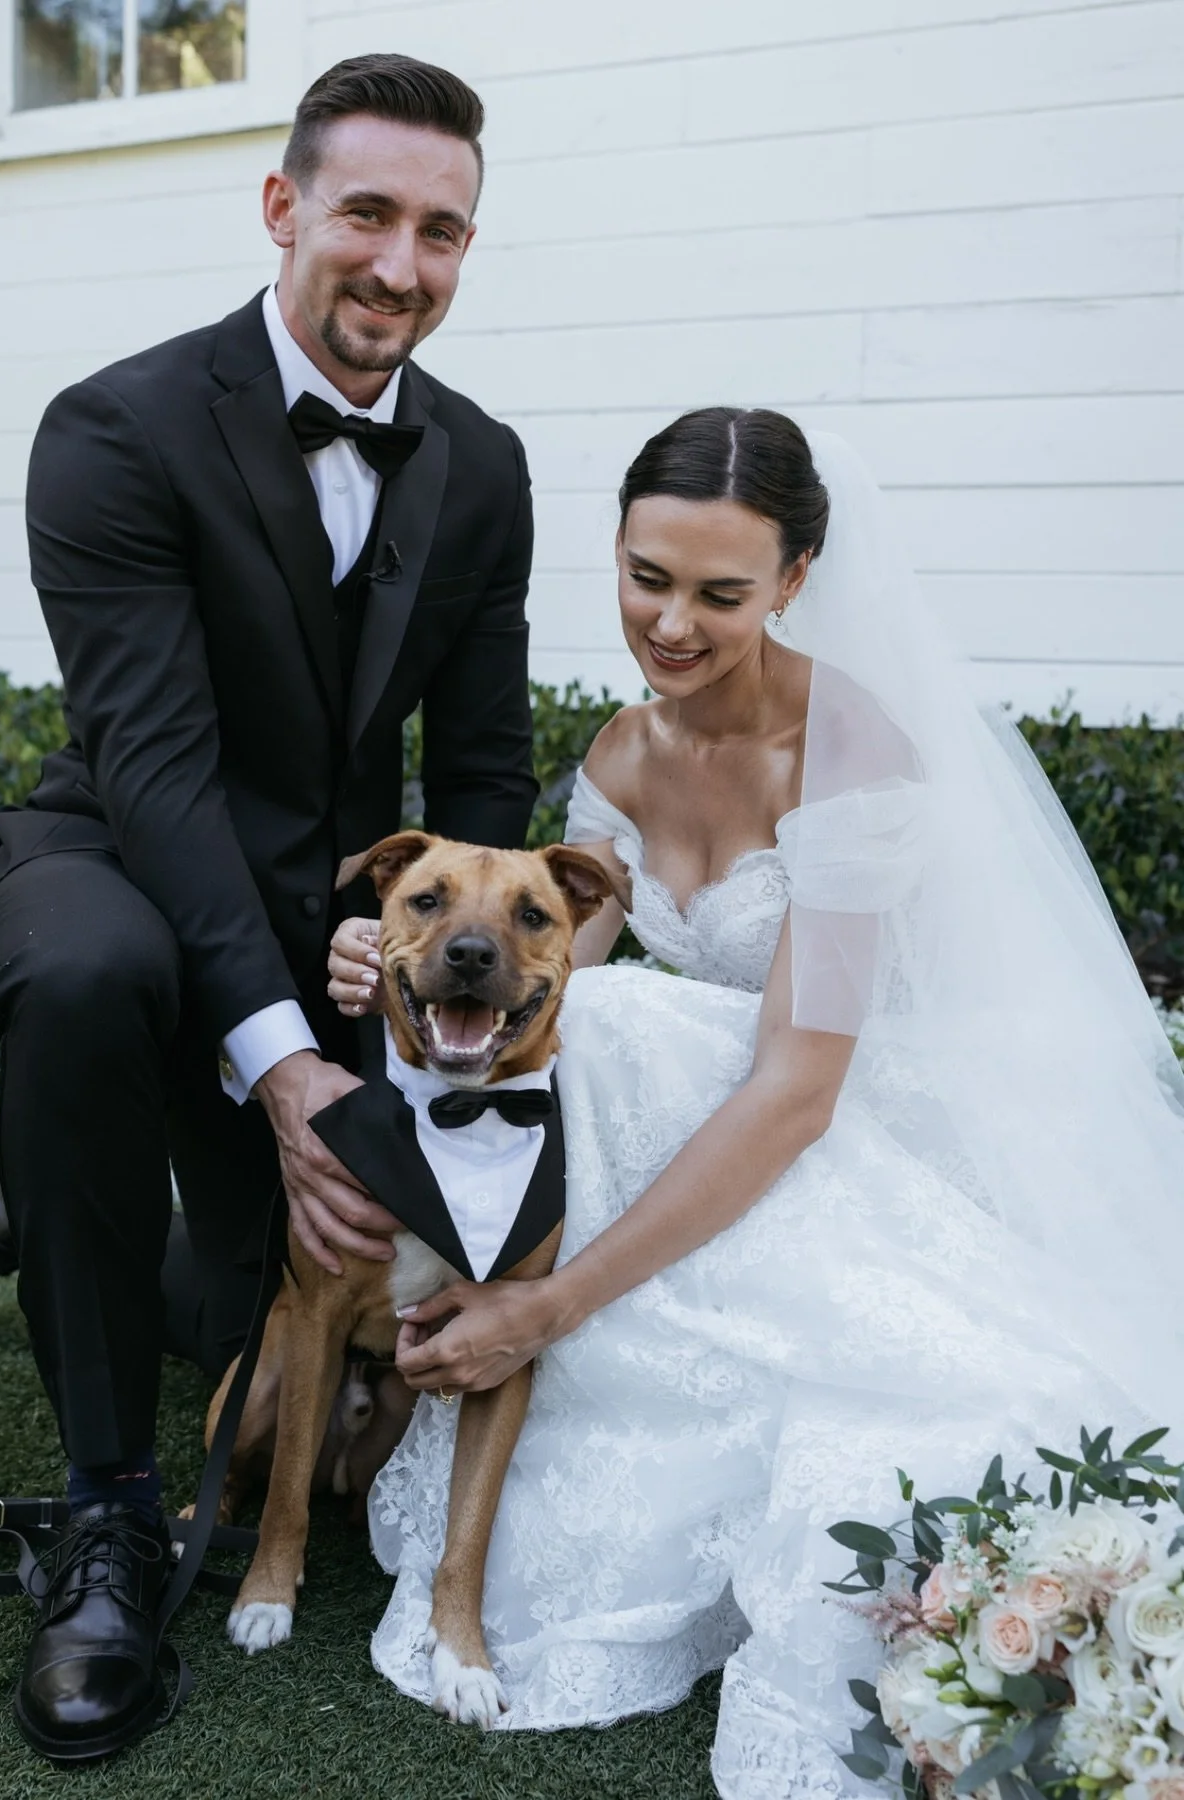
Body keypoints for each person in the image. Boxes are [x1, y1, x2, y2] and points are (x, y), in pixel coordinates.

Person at [328, 408, 1184, 1793]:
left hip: (856, 1123)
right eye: (644, 576)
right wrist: (403, 963)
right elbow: (548, 984)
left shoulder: (850, 753)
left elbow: (799, 1085)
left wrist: (556, 1299)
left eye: (721, 593)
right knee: (598, 1027)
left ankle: (542, 1315)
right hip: (700, 1124)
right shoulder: (619, 752)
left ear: (797, 579)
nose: (670, 623)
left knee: (896, 1449)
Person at [0, 54, 539, 1764]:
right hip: (120, 856)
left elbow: (481, 778)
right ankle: (111, 1518)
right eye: (368, 214)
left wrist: (427, 992)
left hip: (346, 922)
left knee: (239, 1313)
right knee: (100, 983)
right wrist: (292, 1076)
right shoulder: (114, 427)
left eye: (445, 231)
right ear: (283, 208)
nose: (402, 265)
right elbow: (164, 772)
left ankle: (23, 1193)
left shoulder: (478, 464)